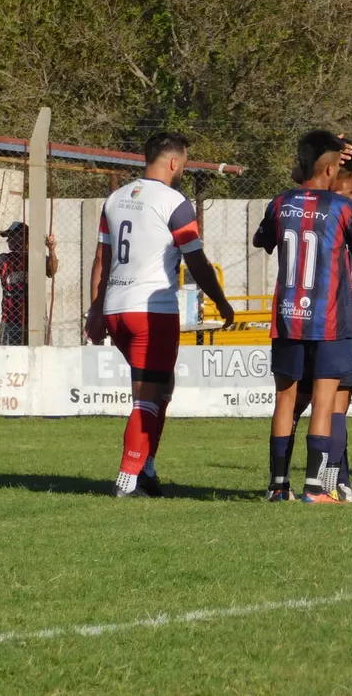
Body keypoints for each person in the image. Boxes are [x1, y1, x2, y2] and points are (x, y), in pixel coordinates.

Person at [85, 132, 233, 498]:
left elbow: (101, 259)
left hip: (117, 308)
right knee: (146, 398)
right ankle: (127, 478)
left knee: (162, 386)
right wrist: (221, 301)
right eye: (182, 163)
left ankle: (147, 467)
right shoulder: (174, 202)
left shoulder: (116, 198)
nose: (182, 169)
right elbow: (196, 260)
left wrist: (96, 309)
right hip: (151, 311)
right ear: (172, 162)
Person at [254, 130, 352, 503]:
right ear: (330, 167)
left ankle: (278, 486)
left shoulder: (280, 203)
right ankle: (313, 488)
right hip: (328, 320)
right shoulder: (342, 208)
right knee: (323, 403)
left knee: (286, 401)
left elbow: (263, 241)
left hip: (288, 317)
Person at [0, 221, 58, 345]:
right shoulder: (6, 259)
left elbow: (51, 270)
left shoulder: (37, 257)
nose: (9, 240)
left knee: (41, 355)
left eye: (12, 236)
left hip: (36, 319)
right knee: (8, 355)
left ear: (24, 237)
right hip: (11, 318)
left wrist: (51, 250)